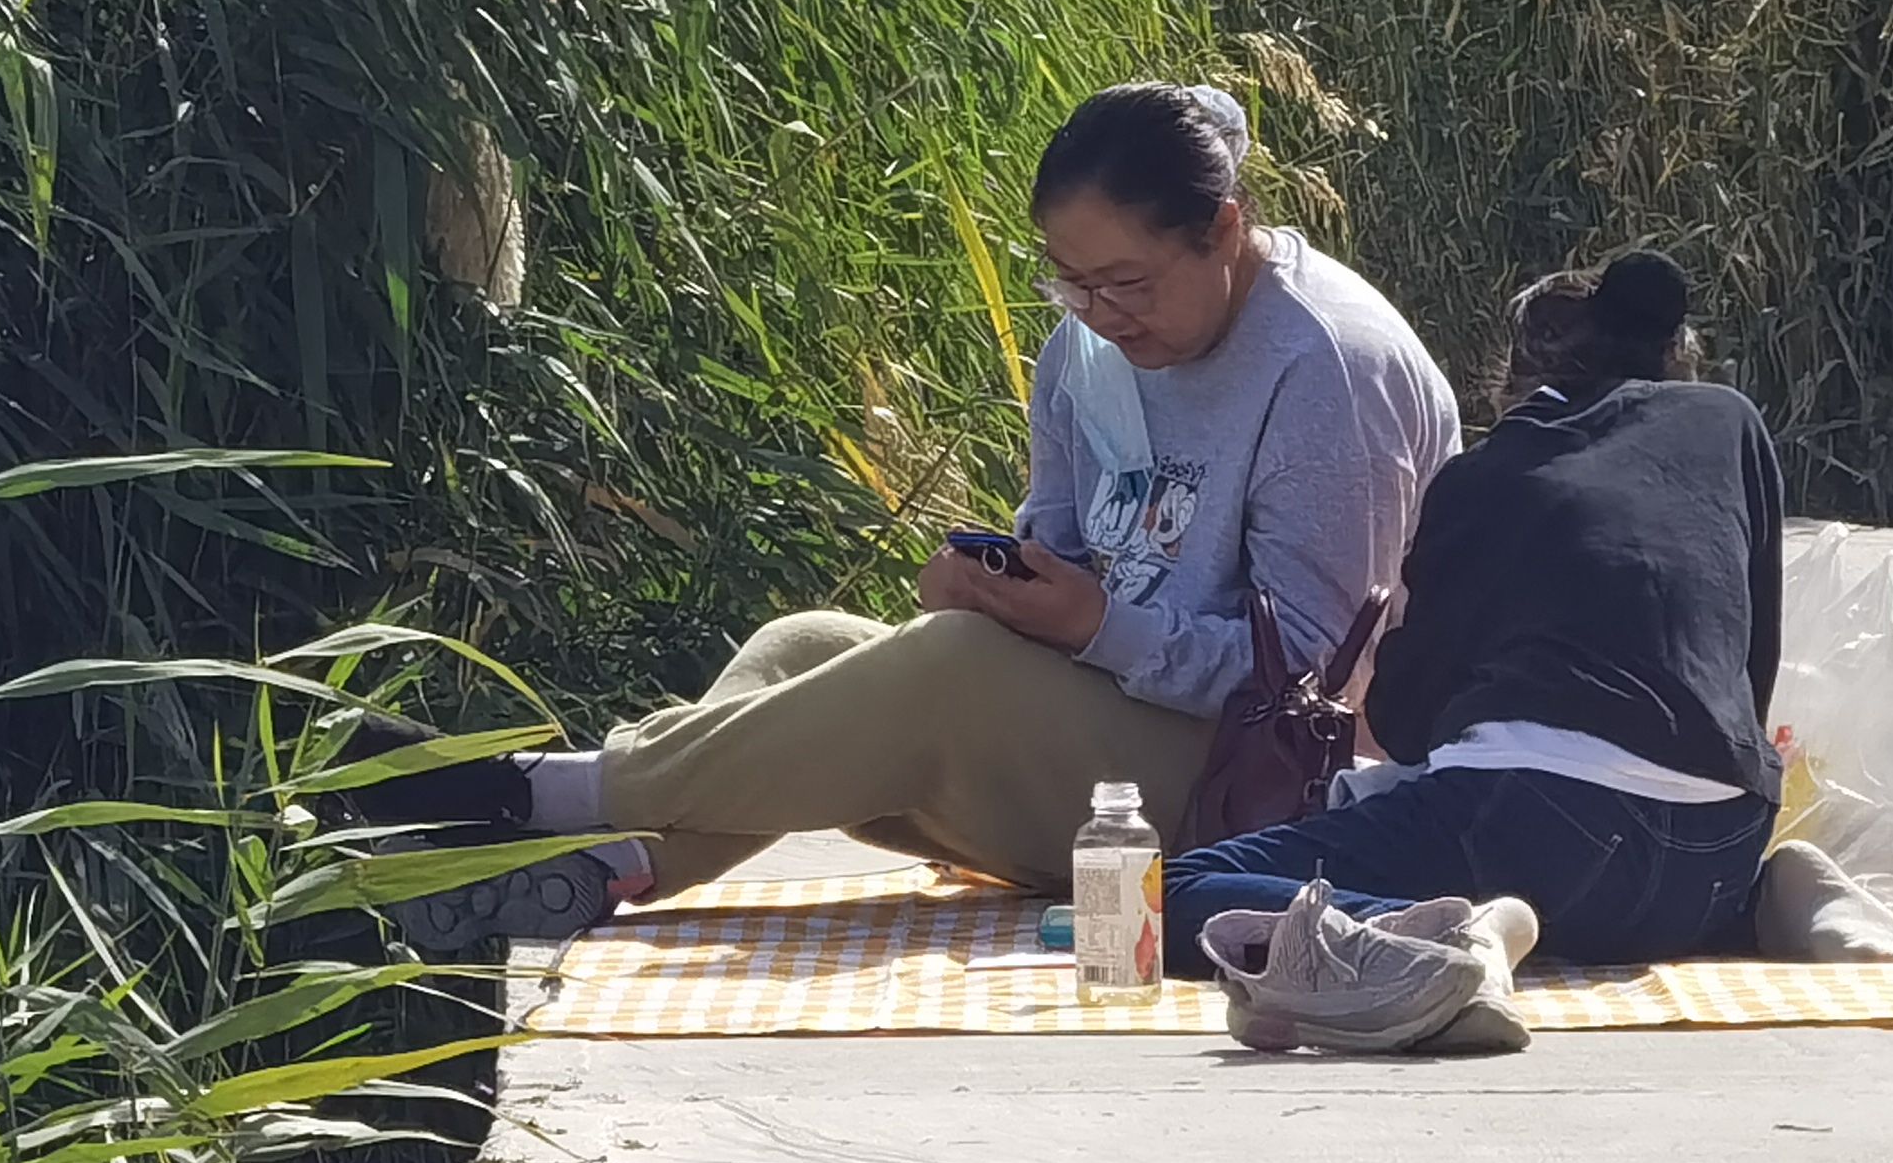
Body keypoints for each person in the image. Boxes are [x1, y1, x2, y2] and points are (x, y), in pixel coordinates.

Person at [359, 81, 1460, 946]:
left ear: (1223, 232)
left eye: (1127, 284)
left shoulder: (1326, 371)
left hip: (1258, 807)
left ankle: (525, 789)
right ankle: (617, 866)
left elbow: (1317, 683)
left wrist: (1085, 629)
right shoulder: (1090, 342)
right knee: (808, 645)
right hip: (1106, 744)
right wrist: (999, 581)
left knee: (950, 670)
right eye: (1068, 284)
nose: (1100, 317)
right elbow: (1067, 546)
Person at [1163, 248, 1783, 982]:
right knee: (1594, 868)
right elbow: (1753, 664)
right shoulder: (1729, 421)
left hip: (1537, 825)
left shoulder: (1484, 477)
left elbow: (1405, 723)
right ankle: (1776, 896)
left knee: (1168, 896)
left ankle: (1462, 930)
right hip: (1719, 850)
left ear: (1512, 379)